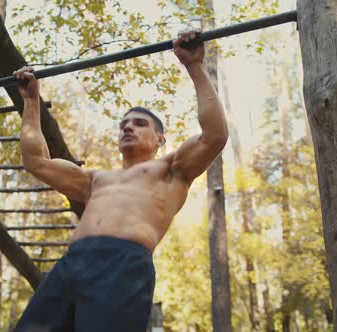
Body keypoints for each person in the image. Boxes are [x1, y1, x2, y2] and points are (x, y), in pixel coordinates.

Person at [12, 29, 228, 332]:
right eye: (124, 124)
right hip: (71, 265)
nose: (128, 128)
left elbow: (214, 136)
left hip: (123, 265)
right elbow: (36, 161)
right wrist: (31, 102)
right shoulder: (94, 179)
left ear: (160, 139)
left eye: (139, 124)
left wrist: (195, 66)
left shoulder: (172, 169)